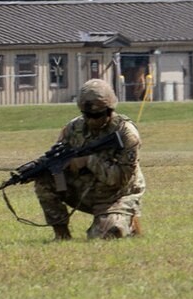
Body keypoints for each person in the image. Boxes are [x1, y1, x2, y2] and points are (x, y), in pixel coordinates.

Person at [34, 78, 144, 240]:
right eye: (86, 115)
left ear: (110, 110)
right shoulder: (73, 128)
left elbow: (122, 178)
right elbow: (58, 154)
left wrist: (88, 161)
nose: (91, 120)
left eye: (97, 115)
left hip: (118, 195)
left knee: (104, 235)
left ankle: (128, 219)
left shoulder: (126, 133)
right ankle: (62, 235)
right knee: (44, 180)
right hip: (87, 189)